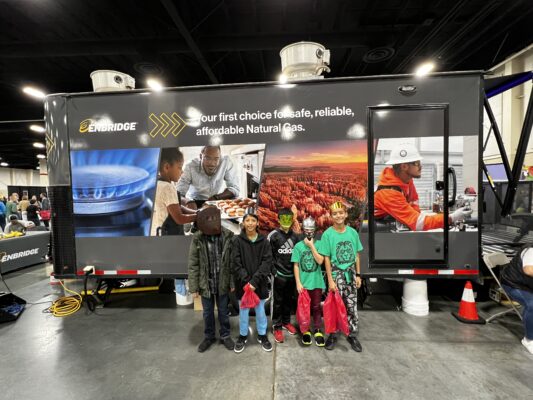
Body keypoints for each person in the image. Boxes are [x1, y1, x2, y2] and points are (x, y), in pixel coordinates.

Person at [374, 143, 472, 231]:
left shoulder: (406, 180)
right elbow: (418, 223)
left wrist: (433, 219)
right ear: (404, 167)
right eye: (417, 163)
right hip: (374, 229)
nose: (421, 167)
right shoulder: (388, 193)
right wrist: (452, 217)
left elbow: (414, 204)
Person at [188, 207, 235, 353]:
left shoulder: (227, 236)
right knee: (207, 312)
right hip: (206, 284)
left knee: (223, 310)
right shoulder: (197, 238)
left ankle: (225, 335)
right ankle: (209, 336)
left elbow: (232, 263)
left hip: (222, 282)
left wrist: (232, 283)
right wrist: (194, 287)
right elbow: (193, 264)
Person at [320, 201, 363, 352]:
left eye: (340, 213)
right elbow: (326, 258)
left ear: (345, 214)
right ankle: (332, 334)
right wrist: (331, 280)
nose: (338, 216)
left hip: (350, 273)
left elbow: (357, 255)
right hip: (336, 273)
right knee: (334, 305)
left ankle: (352, 334)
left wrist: (358, 274)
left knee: (351, 304)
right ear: (331, 216)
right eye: (334, 213)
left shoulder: (352, 233)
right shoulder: (327, 234)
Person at [232, 207, 273, 353]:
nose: (250, 223)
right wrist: (247, 281)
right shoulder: (237, 241)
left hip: (259, 285)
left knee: (260, 310)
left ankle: (262, 335)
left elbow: (267, 263)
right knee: (243, 311)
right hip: (242, 285)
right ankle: (242, 335)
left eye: (253, 220)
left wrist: (254, 282)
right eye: (247, 220)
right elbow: (236, 263)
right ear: (243, 223)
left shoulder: (264, 242)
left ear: (257, 223)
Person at [268, 207, 301, 343]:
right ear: (278, 219)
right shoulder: (273, 236)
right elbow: (267, 256)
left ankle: (286, 322)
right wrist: (274, 272)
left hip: (291, 275)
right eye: (284, 219)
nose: (286, 221)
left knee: (289, 300)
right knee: (277, 302)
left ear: (293, 219)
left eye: (289, 218)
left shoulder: (295, 236)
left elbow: (298, 256)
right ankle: (277, 326)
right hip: (278, 275)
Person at [292, 217, 326, 346]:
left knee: (316, 307)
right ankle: (305, 330)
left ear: (315, 230)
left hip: (316, 282)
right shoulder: (298, 246)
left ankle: (317, 329)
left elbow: (320, 261)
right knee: (303, 308)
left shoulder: (319, 244)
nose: (309, 232)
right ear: (303, 230)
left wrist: (311, 246)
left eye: (311, 230)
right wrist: (298, 283)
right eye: (307, 230)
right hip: (304, 283)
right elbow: (296, 265)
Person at [151, 148, 197, 236]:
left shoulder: (157, 183)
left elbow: (177, 208)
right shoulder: (168, 187)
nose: (182, 172)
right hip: (171, 234)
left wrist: (197, 212)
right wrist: (199, 217)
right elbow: (179, 218)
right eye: (179, 167)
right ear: (167, 167)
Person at [501, 244, 533, 354]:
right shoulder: (531, 250)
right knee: (532, 304)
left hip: (528, 285)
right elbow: (528, 270)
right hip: (513, 284)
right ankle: (529, 339)